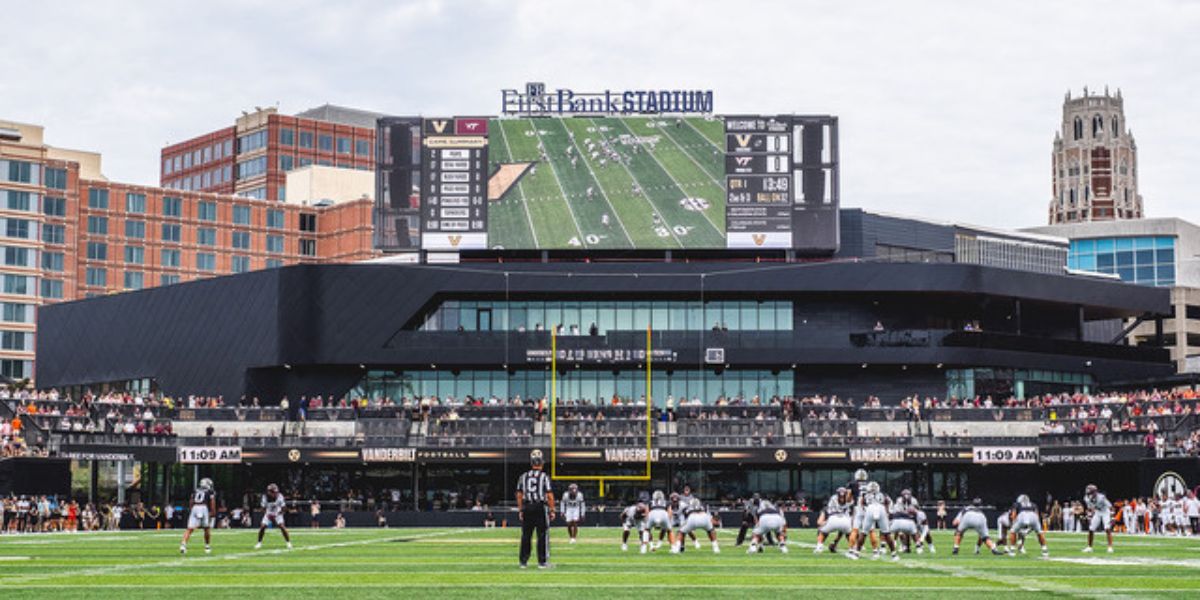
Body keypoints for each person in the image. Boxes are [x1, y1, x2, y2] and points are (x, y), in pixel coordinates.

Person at [516, 449, 555, 569]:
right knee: (542, 535)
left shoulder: (524, 476)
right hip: (539, 507)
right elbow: (549, 495)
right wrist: (552, 510)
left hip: (527, 506)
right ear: (541, 464)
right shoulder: (544, 477)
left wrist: (521, 509)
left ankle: (523, 562)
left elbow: (519, 494)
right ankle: (542, 562)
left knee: (526, 535)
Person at [180, 477, 215, 555]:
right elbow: (212, 502)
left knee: (189, 529)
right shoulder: (210, 491)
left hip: (195, 507)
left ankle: (183, 544)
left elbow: (191, 501)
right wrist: (213, 512)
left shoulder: (195, 490)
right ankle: (207, 546)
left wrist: (191, 509)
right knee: (206, 528)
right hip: (203, 507)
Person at [814, 487, 853, 554]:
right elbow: (849, 500)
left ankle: (819, 546)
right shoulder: (849, 499)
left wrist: (825, 522)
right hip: (845, 520)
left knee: (822, 531)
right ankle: (852, 548)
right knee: (849, 533)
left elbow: (820, 521)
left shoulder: (833, 498)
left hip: (833, 518)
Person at [255, 483, 292, 550]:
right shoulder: (265, 497)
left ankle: (288, 542)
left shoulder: (280, 496)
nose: (275, 494)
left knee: (282, 526)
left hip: (277, 513)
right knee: (262, 527)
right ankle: (259, 543)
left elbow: (284, 508)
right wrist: (267, 514)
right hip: (268, 513)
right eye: (273, 492)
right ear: (269, 492)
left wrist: (279, 513)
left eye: (275, 492)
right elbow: (262, 508)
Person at [1082, 484, 1114, 553]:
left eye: (1090, 493)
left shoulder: (1101, 497)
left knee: (1107, 528)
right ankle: (1089, 547)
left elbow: (1110, 507)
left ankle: (1110, 547)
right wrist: (1089, 516)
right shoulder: (1086, 498)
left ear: (1094, 492)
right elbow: (1090, 508)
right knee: (1091, 529)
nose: (1089, 495)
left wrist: (1112, 517)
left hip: (1105, 511)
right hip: (1098, 512)